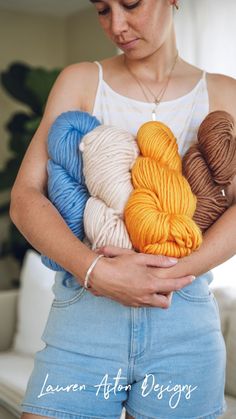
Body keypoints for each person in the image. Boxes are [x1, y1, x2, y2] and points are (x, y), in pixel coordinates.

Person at [9, 0, 236, 418]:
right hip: (86, 313)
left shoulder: (224, 92)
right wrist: (97, 271)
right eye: (102, 9)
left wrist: (176, 270)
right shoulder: (81, 80)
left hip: (182, 321)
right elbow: (25, 199)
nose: (117, 25)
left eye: (131, 4)